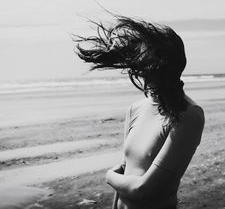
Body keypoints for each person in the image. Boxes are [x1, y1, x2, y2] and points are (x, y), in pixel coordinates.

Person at [75, 16, 205, 209]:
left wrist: (109, 177)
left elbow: (144, 191)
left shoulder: (188, 115)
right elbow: (126, 169)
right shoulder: (135, 108)